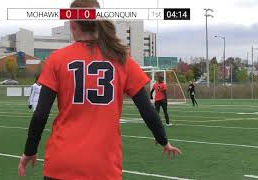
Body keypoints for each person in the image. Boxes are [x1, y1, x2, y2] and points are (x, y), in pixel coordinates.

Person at [18, 1, 181, 179]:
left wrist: (30, 150)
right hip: (103, 166)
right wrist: (163, 140)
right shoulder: (121, 59)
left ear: (72, 24)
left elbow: (40, 114)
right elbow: (147, 110)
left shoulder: (56, 59)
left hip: (61, 163)